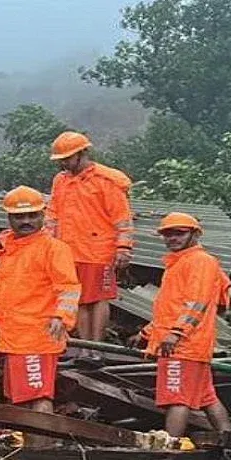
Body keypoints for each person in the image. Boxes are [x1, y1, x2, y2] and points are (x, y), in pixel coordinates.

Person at [0, 186, 80, 416]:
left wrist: (61, 317)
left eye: (32, 215)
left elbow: (69, 287)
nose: (26, 221)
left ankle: (40, 450)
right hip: (13, 338)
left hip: (37, 336)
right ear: (9, 218)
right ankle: (28, 447)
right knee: (21, 399)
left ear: (42, 215)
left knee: (38, 396)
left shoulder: (53, 249)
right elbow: (5, 296)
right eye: (19, 216)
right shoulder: (8, 252)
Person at [131, 212, 231, 437]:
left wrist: (176, 333)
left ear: (195, 234)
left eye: (179, 233)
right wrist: (147, 332)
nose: (172, 238)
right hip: (185, 343)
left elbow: (198, 302)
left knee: (177, 398)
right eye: (168, 234)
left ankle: (169, 447)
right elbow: (171, 307)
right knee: (207, 398)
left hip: (184, 345)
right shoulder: (178, 262)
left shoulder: (200, 261)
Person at [46, 131, 133, 361]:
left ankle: (97, 348)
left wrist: (123, 246)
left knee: (98, 299)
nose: (63, 164)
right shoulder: (61, 181)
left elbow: (122, 217)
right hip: (68, 250)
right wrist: (48, 244)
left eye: (67, 158)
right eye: (61, 160)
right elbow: (52, 214)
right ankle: (84, 348)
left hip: (99, 249)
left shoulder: (106, 180)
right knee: (79, 299)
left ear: (82, 153)